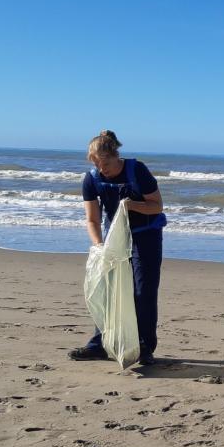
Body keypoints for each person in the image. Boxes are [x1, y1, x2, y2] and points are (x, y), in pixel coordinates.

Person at [68, 130, 167, 366]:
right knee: (109, 292)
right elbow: (92, 219)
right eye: (97, 165)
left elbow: (157, 206)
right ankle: (101, 344)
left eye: (107, 164)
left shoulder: (137, 170)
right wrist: (99, 245)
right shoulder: (91, 179)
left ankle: (144, 347)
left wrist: (132, 205)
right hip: (115, 240)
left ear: (116, 155)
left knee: (143, 292)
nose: (103, 170)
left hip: (146, 236)